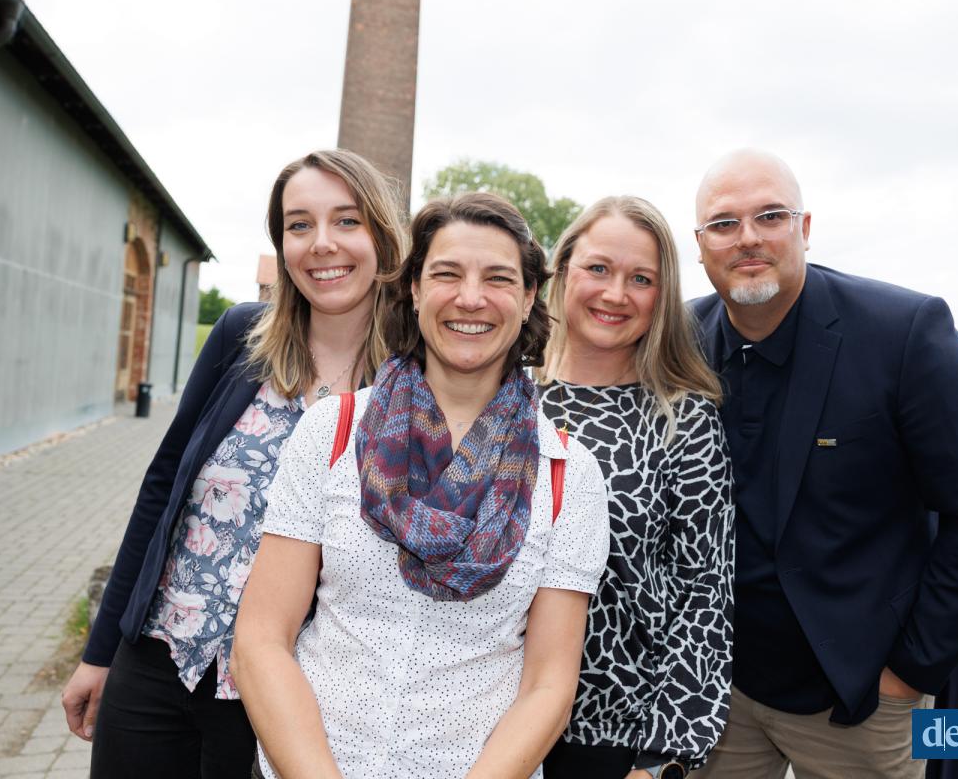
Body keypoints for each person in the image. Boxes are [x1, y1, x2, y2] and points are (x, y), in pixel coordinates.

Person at [231, 192, 611, 779]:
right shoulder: (333, 432)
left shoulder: (568, 475)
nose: (470, 298)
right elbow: (261, 639)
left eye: (498, 278)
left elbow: (548, 687)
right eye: (447, 274)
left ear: (529, 296)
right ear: (413, 288)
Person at [60, 149, 406, 777]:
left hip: (288, 694)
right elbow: (163, 488)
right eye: (299, 225)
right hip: (157, 661)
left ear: (383, 235)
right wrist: (101, 650)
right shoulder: (242, 336)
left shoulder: (413, 381)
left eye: (347, 220)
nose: (321, 243)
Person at [686, 150, 958, 779]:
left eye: (770, 216)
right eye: (724, 223)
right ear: (701, 244)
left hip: (860, 702)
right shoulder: (682, 341)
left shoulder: (904, 332)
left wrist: (909, 674)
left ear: (805, 228)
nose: (748, 237)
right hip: (720, 695)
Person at [535, 196, 735, 779]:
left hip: (615, 736)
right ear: (562, 269)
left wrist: (663, 758)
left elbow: (705, 595)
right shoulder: (505, 396)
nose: (615, 294)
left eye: (641, 279)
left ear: (661, 297)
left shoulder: (683, 420)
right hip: (482, 718)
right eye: (598, 268)